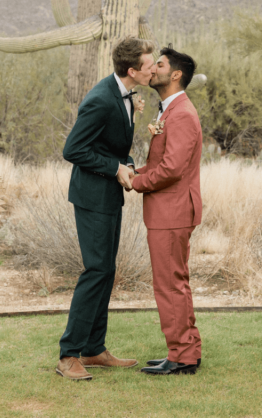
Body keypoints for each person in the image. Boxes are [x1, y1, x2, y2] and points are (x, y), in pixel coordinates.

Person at [56, 37, 156, 381]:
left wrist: (128, 165)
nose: (154, 69)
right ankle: (68, 355)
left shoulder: (124, 94)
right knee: (96, 270)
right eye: (149, 65)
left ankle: (94, 349)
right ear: (132, 71)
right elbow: (73, 150)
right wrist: (116, 169)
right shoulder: (101, 99)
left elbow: (107, 145)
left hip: (109, 197)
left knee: (106, 271)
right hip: (91, 198)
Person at [131, 46, 203, 376]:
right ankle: (184, 351)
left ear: (175, 75)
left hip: (171, 212)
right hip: (167, 212)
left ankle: (182, 356)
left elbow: (172, 168)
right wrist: (138, 171)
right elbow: (161, 161)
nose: (152, 70)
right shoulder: (168, 112)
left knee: (169, 284)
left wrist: (137, 183)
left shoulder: (183, 114)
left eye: (158, 65)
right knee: (174, 282)